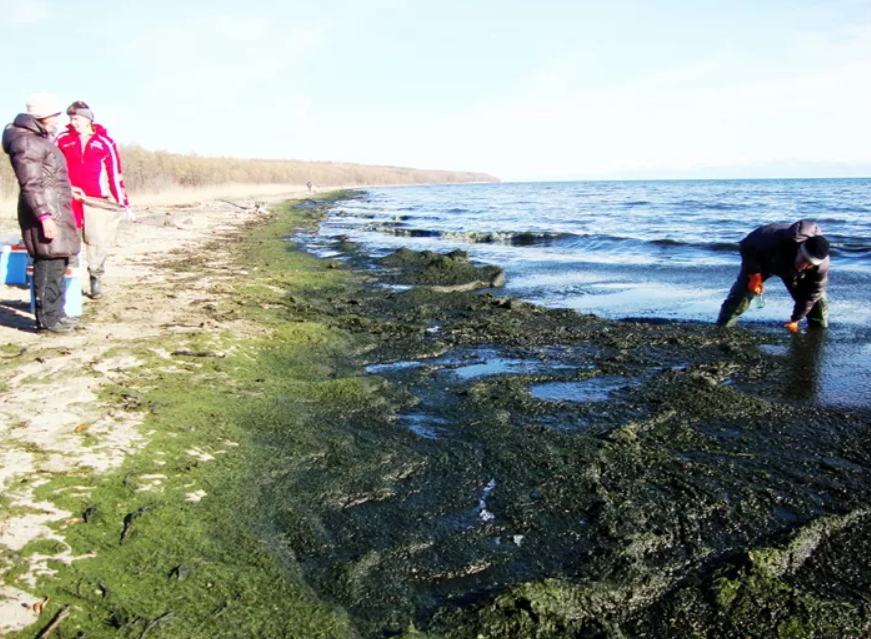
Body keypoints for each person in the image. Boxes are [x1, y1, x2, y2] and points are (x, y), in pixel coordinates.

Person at [2, 93, 81, 333]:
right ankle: (47, 322)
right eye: (56, 115)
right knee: (47, 263)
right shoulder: (27, 142)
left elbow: (46, 177)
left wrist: (68, 189)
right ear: (45, 116)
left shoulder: (37, 139)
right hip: (44, 211)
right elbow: (31, 184)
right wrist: (44, 217)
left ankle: (57, 314)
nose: (59, 120)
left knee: (58, 262)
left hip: (54, 206)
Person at [56, 100, 129, 299]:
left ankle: (96, 278)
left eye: (77, 118)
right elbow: (53, 168)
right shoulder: (62, 139)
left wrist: (123, 200)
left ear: (88, 119)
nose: (74, 122)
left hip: (95, 199)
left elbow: (115, 172)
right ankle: (69, 280)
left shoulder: (105, 142)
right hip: (69, 197)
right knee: (70, 240)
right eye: (71, 118)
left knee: (96, 240)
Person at [716, 219, 830, 331]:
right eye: (804, 260)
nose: (804, 266)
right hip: (765, 262)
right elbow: (746, 246)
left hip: (794, 274)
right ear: (800, 249)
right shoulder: (770, 238)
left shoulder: (819, 268)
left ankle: (817, 336)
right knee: (739, 297)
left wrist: (795, 319)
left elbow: (810, 296)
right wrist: (754, 275)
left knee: (816, 305)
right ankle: (722, 329)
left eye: (810, 264)